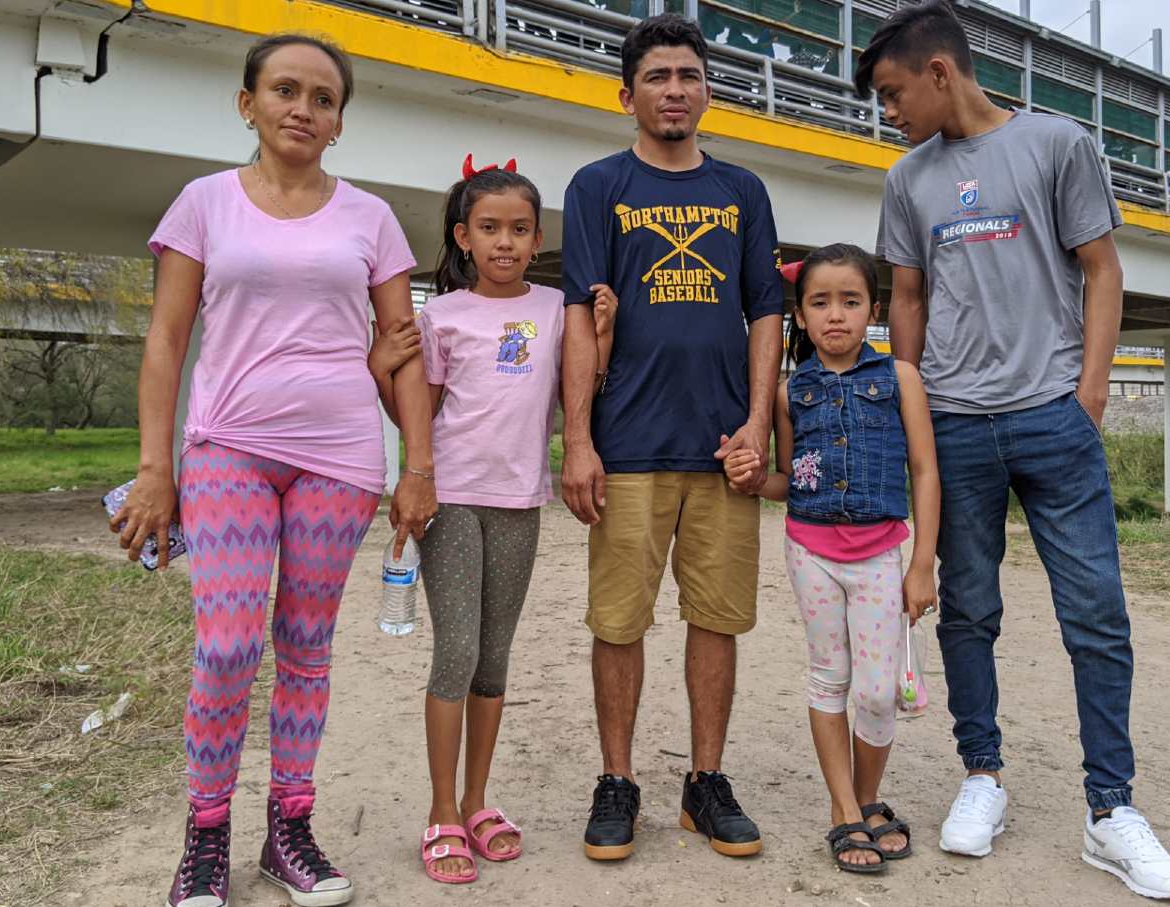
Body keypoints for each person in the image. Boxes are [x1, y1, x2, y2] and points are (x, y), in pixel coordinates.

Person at [855, 1, 1170, 899]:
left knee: (1096, 614)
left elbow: (1102, 268)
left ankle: (1111, 809)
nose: (887, 112)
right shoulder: (907, 179)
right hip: (957, 423)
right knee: (968, 612)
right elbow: (909, 299)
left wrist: (1088, 393)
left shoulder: (1056, 143)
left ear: (939, 72)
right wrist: (913, 396)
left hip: (1053, 415)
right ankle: (982, 776)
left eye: (892, 94)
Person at [108, 34, 437, 907]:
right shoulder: (204, 203)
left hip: (340, 460)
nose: (303, 107)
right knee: (227, 647)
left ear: (339, 121)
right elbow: (167, 342)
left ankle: (288, 826)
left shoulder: (370, 218)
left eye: (323, 98)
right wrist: (155, 469)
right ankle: (205, 836)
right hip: (228, 448)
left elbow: (401, 352)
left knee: (305, 651)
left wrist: (418, 466)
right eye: (285, 90)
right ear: (247, 102)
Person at [559, 12, 784, 863]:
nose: (675, 90)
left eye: (688, 75)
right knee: (618, 622)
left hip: (724, 448)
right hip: (628, 445)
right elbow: (581, 314)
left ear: (709, 92)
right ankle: (617, 779)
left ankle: (705, 781)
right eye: (657, 77)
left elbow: (766, 307)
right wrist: (577, 439)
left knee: (716, 618)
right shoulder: (598, 187)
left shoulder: (742, 191)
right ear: (628, 95)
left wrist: (759, 422)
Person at [371, 156, 614, 885]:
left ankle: (479, 800)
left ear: (537, 235)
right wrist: (382, 368)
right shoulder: (440, 316)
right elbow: (422, 415)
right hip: (451, 499)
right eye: (488, 228)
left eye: (518, 228)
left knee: (495, 657)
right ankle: (441, 808)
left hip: (519, 499)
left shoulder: (557, 306)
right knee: (456, 652)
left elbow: (580, 390)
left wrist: (599, 332)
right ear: (463, 237)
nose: (504, 241)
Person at [722, 245, 940, 873]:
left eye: (850, 301)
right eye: (820, 303)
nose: (835, 316)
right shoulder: (793, 393)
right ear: (801, 314)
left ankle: (869, 798)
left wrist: (921, 562)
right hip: (811, 550)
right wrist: (749, 475)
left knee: (876, 694)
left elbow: (924, 472)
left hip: (881, 554)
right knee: (829, 678)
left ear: (873, 309)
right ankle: (845, 810)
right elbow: (789, 479)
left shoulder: (900, 378)